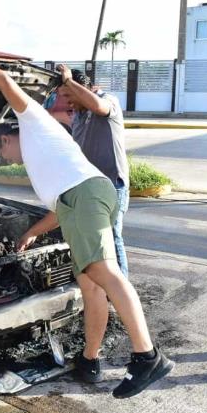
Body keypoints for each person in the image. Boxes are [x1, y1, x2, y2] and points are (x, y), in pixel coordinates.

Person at [0, 46, 173, 398]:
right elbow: (63, 207)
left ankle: (146, 356)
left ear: (5, 138)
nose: (5, 160)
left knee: (106, 273)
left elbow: (3, 81)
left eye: (1, 152)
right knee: (91, 285)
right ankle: (89, 358)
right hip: (81, 199)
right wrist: (31, 232)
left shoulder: (31, 120)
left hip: (88, 195)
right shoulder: (43, 146)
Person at [54, 65, 130, 277]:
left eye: (69, 95)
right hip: (88, 188)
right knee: (90, 241)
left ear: (81, 89)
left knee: (112, 239)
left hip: (113, 185)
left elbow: (99, 107)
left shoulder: (109, 101)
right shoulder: (77, 114)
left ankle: (119, 296)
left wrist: (69, 81)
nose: (67, 102)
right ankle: (97, 289)